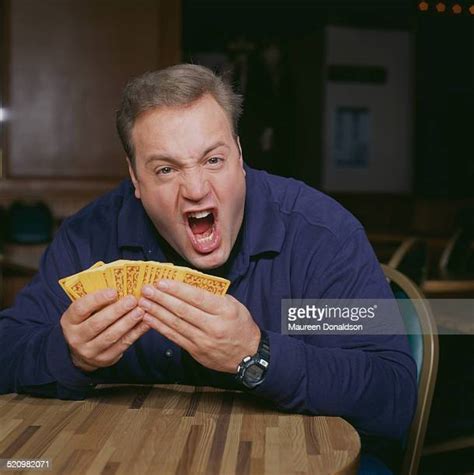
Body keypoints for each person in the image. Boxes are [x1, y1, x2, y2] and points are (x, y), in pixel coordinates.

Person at [0, 64, 416, 467]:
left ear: (239, 153)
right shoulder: (90, 235)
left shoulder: (322, 237)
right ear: (135, 180)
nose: (196, 190)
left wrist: (257, 354)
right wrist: (69, 352)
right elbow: (8, 349)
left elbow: (391, 394)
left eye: (213, 160)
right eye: (165, 169)